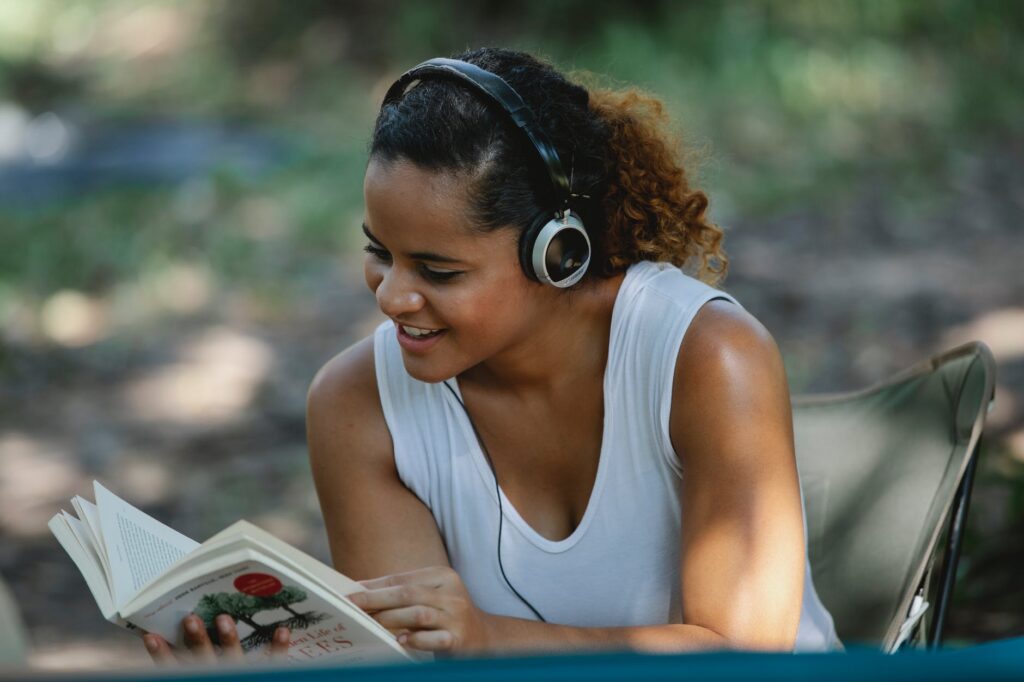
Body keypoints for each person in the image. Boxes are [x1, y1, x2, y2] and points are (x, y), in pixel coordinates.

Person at [144, 46, 840, 664]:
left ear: (558, 256)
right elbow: (412, 663)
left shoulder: (708, 358)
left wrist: (487, 639)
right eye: (377, 254)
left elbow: (744, 660)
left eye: (437, 272)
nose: (390, 297)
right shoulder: (358, 405)